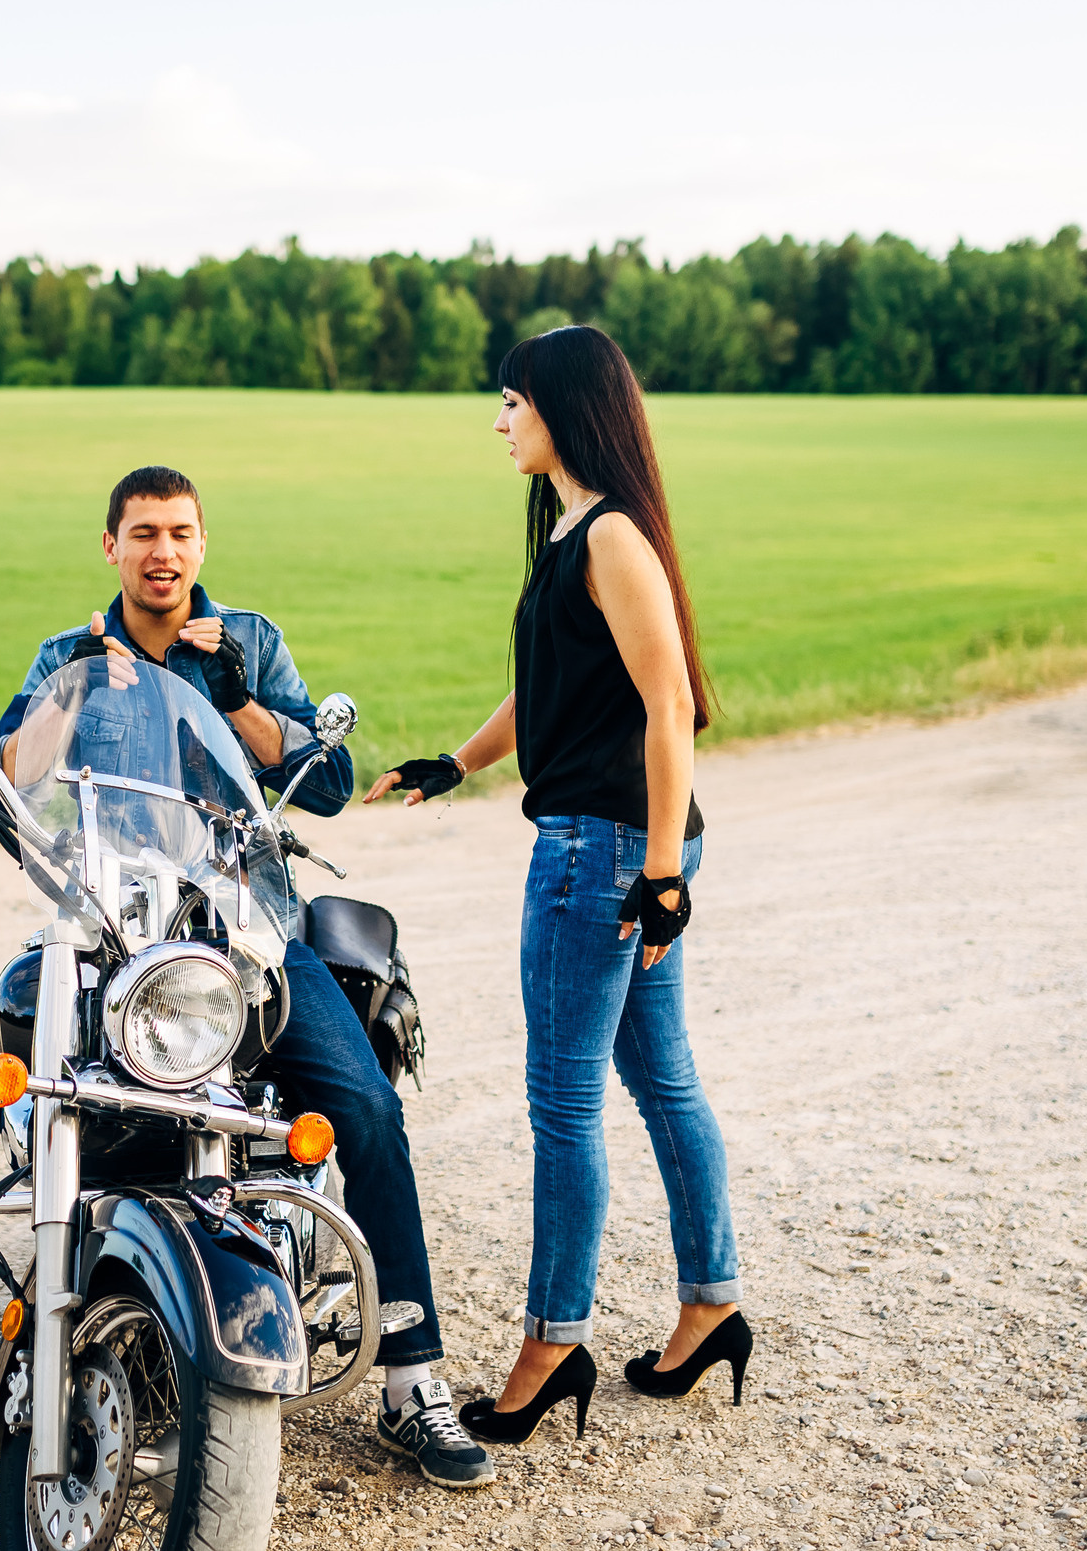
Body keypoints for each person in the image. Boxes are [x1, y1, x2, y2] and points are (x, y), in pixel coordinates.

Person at [0, 465, 491, 1488]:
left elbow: (326, 784)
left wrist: (232, 692)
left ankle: (415, 1381)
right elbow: (5, 784)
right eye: (143, 532)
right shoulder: (71, 655)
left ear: (200, 544)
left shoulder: (248, 643)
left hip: (244, 930)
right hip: (101, 929)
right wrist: (63, 708)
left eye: (181, 532)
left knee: (364, 1106)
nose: (164, 552)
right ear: (112, 546)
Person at [366, 327, 748, 1443]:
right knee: (659, 1077)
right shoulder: (579, 530)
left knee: (564, 1099)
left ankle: (552, 1339)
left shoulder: (613, 536)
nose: (498, 422)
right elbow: (555, 690)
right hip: (622, 843)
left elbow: (668, 704)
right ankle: (711, 1301)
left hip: (604, 853)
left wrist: (664, 874)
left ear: (561, 410)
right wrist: (459, 760)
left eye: (509, 402)